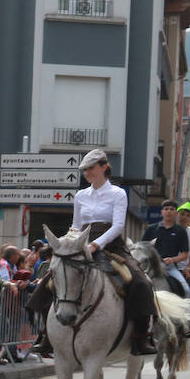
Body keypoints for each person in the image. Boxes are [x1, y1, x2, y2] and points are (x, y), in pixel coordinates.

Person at [38, 149, 156, 355]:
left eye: (91, 168)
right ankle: (46, 334)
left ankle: (141, 338)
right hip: (80, 245)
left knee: (140, 282)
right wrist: (68, 243)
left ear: (104, 167)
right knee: (49, 279)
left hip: (111, 246)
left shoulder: (118, 193)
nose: (87, 173)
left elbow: (118, 226)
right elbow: (76, 225)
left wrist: (95, 245)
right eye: (85, 170)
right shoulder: (81, 195)